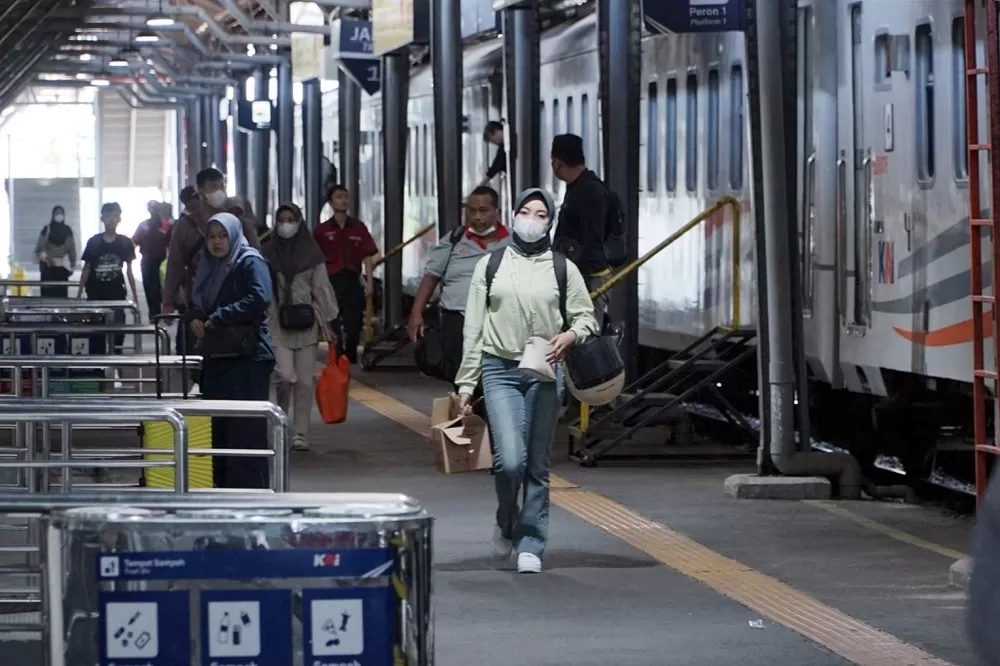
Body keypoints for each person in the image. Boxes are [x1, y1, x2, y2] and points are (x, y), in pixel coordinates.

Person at [456, 187, 599, 574]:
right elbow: (474, 327)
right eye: (525, 211)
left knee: (536, 462)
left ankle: (532, 541)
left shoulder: (562, 268)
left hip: (545, 371)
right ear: (514, 216)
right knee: (509, 462)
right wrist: (467, 383)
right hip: (500, 370)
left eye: (540, 214)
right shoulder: (491, 265)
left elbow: (586, 317)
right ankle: (506, 520)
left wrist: (571, 335)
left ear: (550, 223)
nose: (531, 220)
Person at [188, 213, 275, 489]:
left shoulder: (249, 262)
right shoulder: (207, 266)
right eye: (212, 236)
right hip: (217, 358)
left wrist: (222, 316)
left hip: (248, 359)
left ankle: (251, 494)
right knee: (220, 429)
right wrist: (195, 317)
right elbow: (197, 301)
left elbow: (260, 297)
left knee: (245, 431)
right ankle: (224, 491)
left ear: (234, 235)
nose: (217, 242)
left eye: (223, 236)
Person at [408, 185, 510, 399]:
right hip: (457, 322)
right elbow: (431, 276)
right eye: (471, 210)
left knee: (491, 379)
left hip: (497, 322)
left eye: (483, 211)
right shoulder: (454, 239)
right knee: (462, 379)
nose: (476, 217)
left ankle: (487, 421)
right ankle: (470, 422)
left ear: (496, 213)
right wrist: (416, 313)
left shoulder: (512, 242)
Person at [163, 169, 260, 365]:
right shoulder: (186, 227)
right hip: (199, 305)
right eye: (212, 187)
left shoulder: (240, 224)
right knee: (199, 361)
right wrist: (168, 301)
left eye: (221, 186)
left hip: (235, 304)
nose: (218, 192)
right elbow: (175, 264)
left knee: (236, 356)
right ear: (200, 191)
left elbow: (256, 262)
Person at [263, 203, 339, 452]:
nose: (286, 225)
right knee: (284, 377)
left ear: (299, 222)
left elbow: (321, 287)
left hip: (307, 324)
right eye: (281, 219)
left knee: (305, 382)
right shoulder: (267, 254)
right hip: (277, 323)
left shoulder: (312, 254)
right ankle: (281, 422)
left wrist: (328, 320)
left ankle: (301, 433)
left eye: (290, 219)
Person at [550, 133, 614, 327]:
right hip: (580, 276)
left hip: (589, 278)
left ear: (558, 163)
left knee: (585, 337)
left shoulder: (589, 191)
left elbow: (591, 239)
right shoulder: (578, 188)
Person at [313, 184, 378, 364]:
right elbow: (315, 261)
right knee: (333, 321)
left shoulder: (358, 228)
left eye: (345, 197)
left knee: (354, 322)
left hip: (352, 280)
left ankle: (349, 354)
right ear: (331, 202)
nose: (343, 200)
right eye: (339, 197)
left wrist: (369, 282)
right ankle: (338, 356)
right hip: (330, 281)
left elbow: (367, 256)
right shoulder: (321, 231)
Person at [78, 202, 138, 354]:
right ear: (102, 219)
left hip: (117, 294)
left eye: (115, 216)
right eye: (108, 216)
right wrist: (79, 294)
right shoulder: (94, 242)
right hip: (95, 294)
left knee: (117, 334)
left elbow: (130, 271)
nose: (111, 220)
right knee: (95, 334)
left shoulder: (125, 242)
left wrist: (135, 296)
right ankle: (98, 370)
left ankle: (116, 368)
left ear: (119, 219)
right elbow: (87, 268)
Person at [132, 201, 172, 320]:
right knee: (149, 287)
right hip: (147, 261)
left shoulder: (166, 225)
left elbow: (172, 243)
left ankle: (161, 310)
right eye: (151, 208)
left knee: (160, 287)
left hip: (162, 261)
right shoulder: (143, 226)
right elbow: (135, 241)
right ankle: (153, 312)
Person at [34, 205, 77, 297]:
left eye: (61, 213)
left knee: (61, 298)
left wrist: (72, 266)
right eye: (57, 213)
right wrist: (46, 257)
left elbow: (72, 250)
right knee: (47, 298)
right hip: (48, 270)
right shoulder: (47, 230)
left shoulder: (67, 231)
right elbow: (38, 249)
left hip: (62, 271)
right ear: (53, 215)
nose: (59, 215)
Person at [478, 121, 507, 188]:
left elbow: (495, 167)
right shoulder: (503, 147)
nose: (495, 143)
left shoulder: (504, 147)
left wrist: (481, 185)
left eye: (493, 141)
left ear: (495, 131)